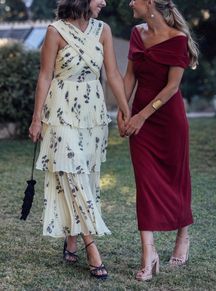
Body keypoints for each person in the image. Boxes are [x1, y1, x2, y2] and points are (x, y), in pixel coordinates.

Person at [29, 0, 130, 280]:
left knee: (85, 177)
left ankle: (71, 237)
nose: (104, 2)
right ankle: (91, 246)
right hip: (60, 111)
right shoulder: (55, 31)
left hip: (92, 114)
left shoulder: (103, 30)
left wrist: (125, 110)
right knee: (71, 173)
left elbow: (112, 75)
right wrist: (37, 118)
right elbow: (45, 75)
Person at [117, 0, 199, 281]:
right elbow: (129, 76)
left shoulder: (178, 40)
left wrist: (141, 116)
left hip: (167, 120)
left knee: (177, 178)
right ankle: (148, 254)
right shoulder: (137, 34)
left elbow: (172, 86)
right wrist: (123, 109)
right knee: (145, 181)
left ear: (149, 2)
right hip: (139, 121)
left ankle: (183, 236)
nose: (130, 3)